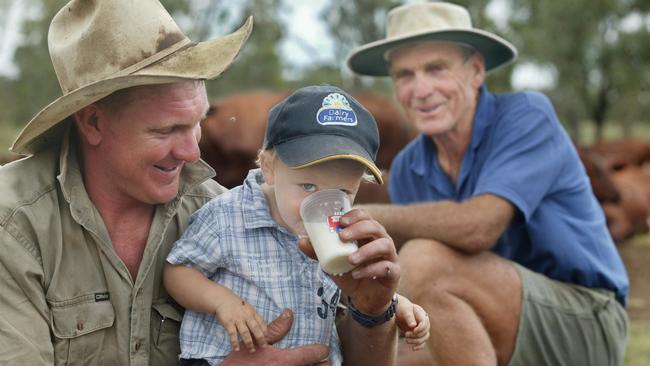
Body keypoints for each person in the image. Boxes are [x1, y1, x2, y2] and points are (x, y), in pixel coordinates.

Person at [0, 1, 401, 365]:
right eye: (167, 129)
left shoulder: (224, 213)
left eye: (197, 122)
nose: (193, 152)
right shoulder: (14, 225)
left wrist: (373, 311)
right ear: (93, 122)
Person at [346, 2, 629, 366]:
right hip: (479, 320)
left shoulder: (526, 117)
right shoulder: (408, 167)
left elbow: (478, 227)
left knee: (425, 260)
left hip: (585, 319)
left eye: (436, 69)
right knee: (380, 357)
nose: (421, 89)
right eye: (404, 75)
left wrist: (360, 215)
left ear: (476, 71)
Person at [163, 85, 430, 366]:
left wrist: (395, 304)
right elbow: (178, 270)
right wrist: (221, 302)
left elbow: (349, 286)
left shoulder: (338, 231)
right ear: (268, 167)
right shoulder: (227, 214)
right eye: (308, 185)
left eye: (342, 192)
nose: (323, 203)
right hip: (220, 358)